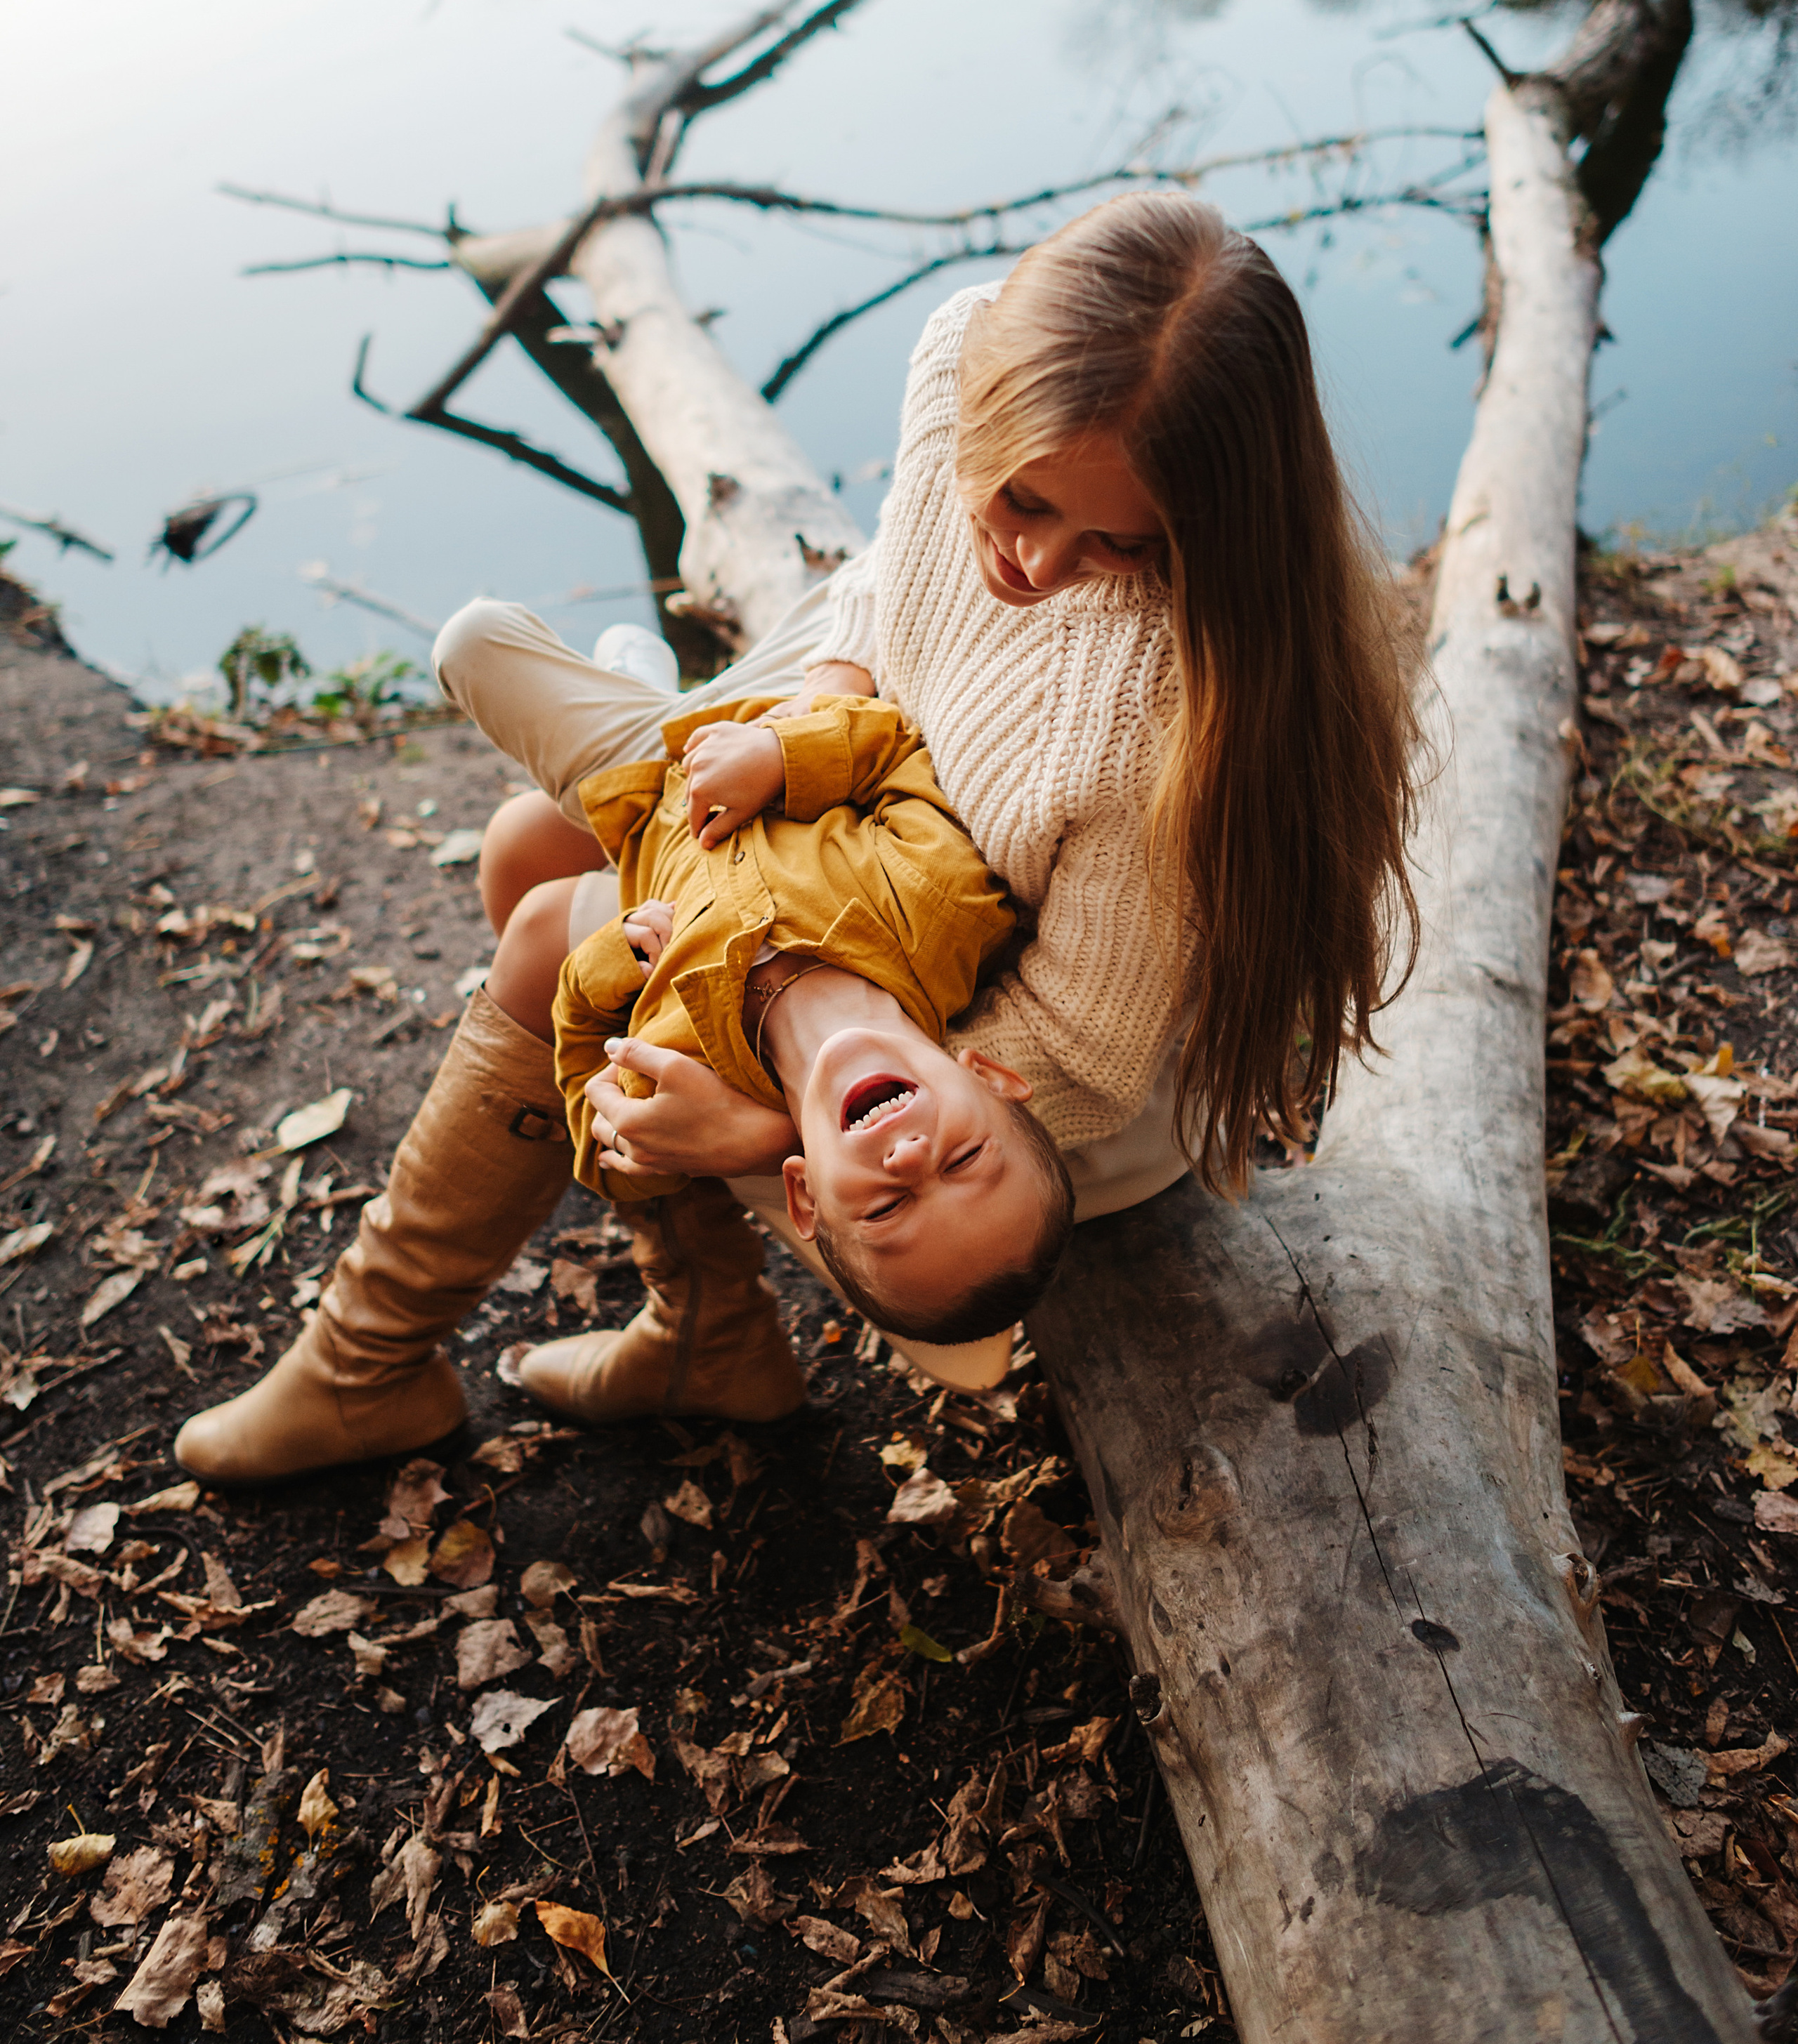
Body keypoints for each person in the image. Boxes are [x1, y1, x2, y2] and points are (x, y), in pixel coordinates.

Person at [174, 190, 1417, 1484]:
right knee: (525, 849)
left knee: (553, 935)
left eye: (1120, 541)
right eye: (1024, 499)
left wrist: (760, 1129)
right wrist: (818, 720)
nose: (1038, 564)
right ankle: (704, 1328)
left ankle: (364, 1363)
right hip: (879, 818)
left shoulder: (1174, 720)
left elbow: (1082, 1060)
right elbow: (894, 578)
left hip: (1015, 1094)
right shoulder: (958, 354)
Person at [548, 686, 1073, 1386]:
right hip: (762, 704)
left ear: (804, 1197)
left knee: (482, 684)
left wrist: (606, 961)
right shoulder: (946, 906)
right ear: (992, 1077)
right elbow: (894, 751)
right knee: (481, 660)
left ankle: (702, 1329)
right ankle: (634, 667)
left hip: (636, 800)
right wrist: (782, 755)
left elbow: (590, 1114)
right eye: (966, 1157)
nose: (913, 1157)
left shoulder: (676, 1078)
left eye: (887, 1205)